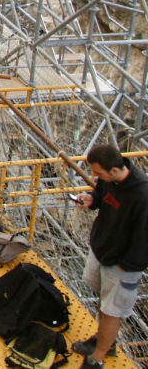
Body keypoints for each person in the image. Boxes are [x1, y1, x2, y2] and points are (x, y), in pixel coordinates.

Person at [73, 144, 148, 367]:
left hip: (123, 264)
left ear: (114, 170)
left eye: (98, 173)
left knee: (112, 311)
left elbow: (144, 236)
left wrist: (128, 265)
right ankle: (102, 340)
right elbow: (102, 194)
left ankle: (98, 358)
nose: (96, 177)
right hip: (103, 249)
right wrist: (92, 199)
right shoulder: (110, 180)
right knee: (104, 303)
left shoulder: (142, 195)